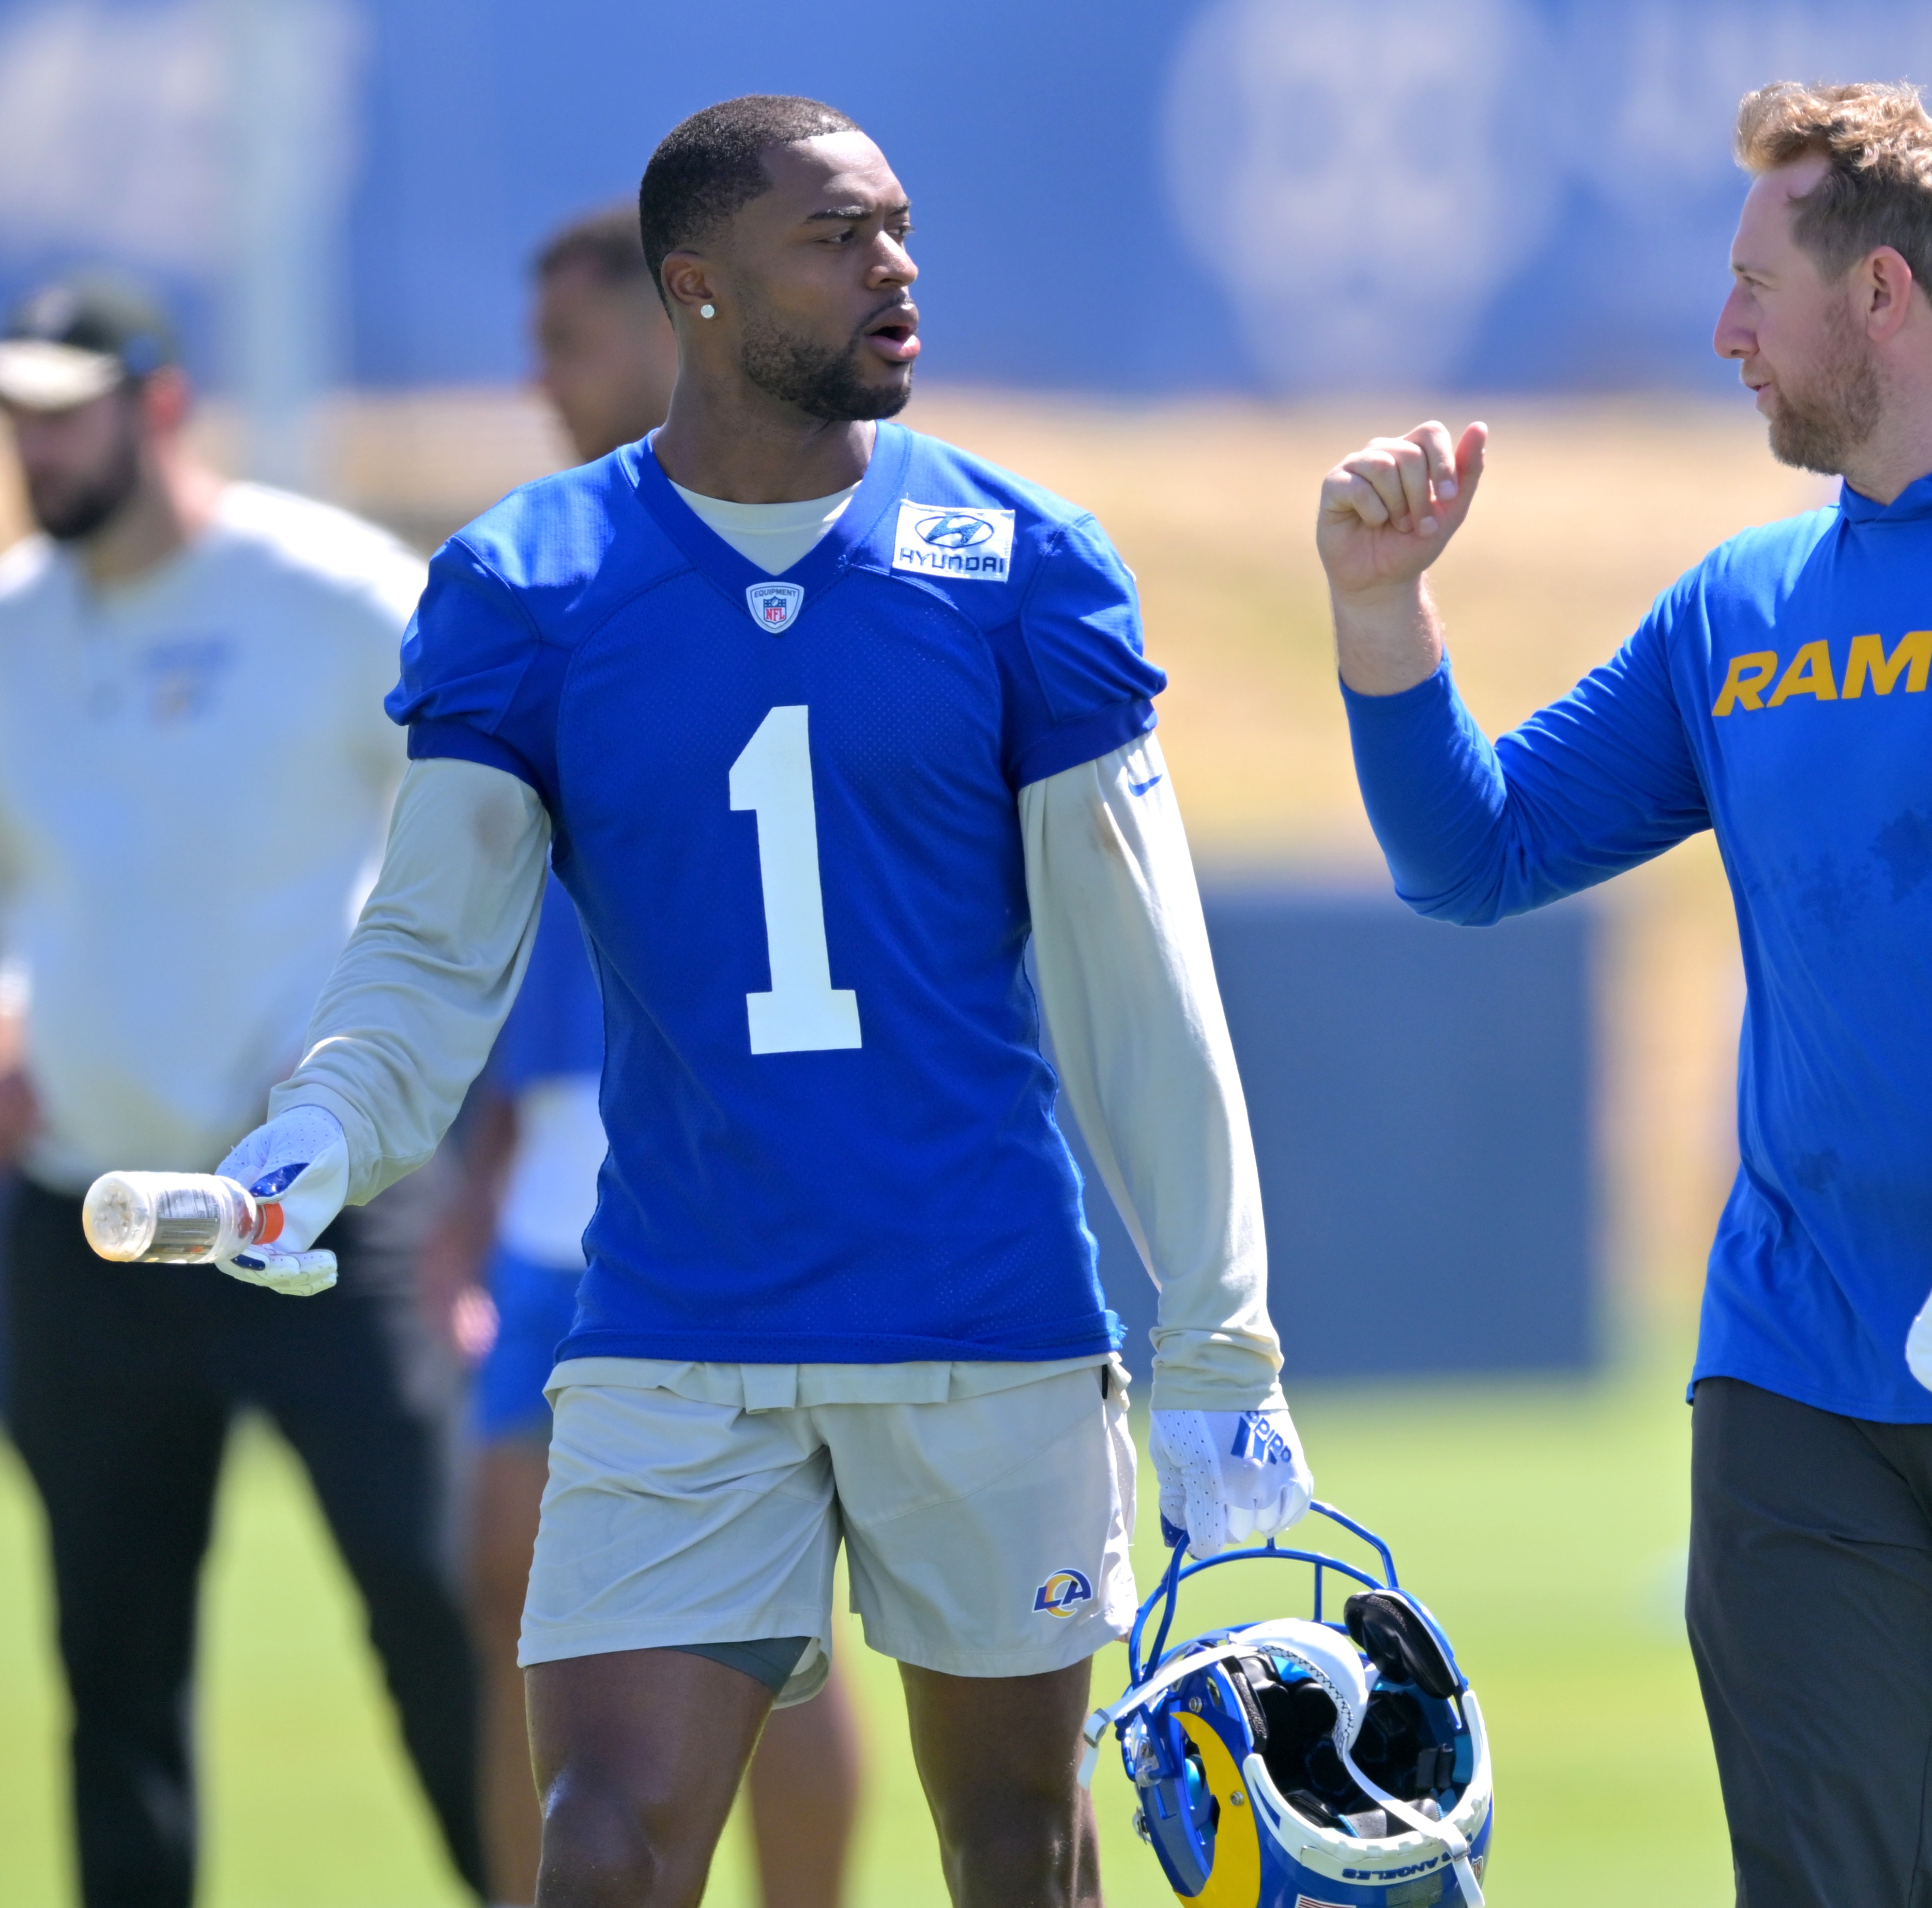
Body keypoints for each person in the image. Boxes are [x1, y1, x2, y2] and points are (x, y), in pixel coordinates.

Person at [180, 95, 1312, 1908]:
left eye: (900, 227)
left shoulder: (1023, 562)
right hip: (679, 1321)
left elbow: (1140, 984)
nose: (897, 268)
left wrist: (1221, 1340)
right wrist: (325, 1130)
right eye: (838, 237)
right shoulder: (531, 581)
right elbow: (430, 949)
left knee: (1018, 1848)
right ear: (696, 286)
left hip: (982, 1314)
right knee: (603, 1843)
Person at [1320, 82, 1932, 1906]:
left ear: (1880, 292)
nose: (1722, 331)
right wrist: (1386, 618)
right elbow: (1479, 854)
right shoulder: (1740, 604)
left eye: (1753, 285)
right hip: (1802, 1369)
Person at [0, 279, 483, 1905]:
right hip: (88, 1213)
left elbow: (484, 822)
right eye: (17, 418)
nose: (35, 449)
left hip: (319, 1206)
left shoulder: (329, 590)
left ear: (160, 406)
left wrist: (398, 1055)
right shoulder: (13, 629)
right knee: (112, 1664)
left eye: (64, 413)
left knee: (432, 1600)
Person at [420, 206, 863, 1908]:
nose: (542, 380)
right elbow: (506, 924)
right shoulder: (533, 577)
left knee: (765, 1634)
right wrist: (476, 1170)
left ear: (676, 329)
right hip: (556, 1191)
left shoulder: (784, 567)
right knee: (509, 1587)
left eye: (570, 342)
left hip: (725, 1191)